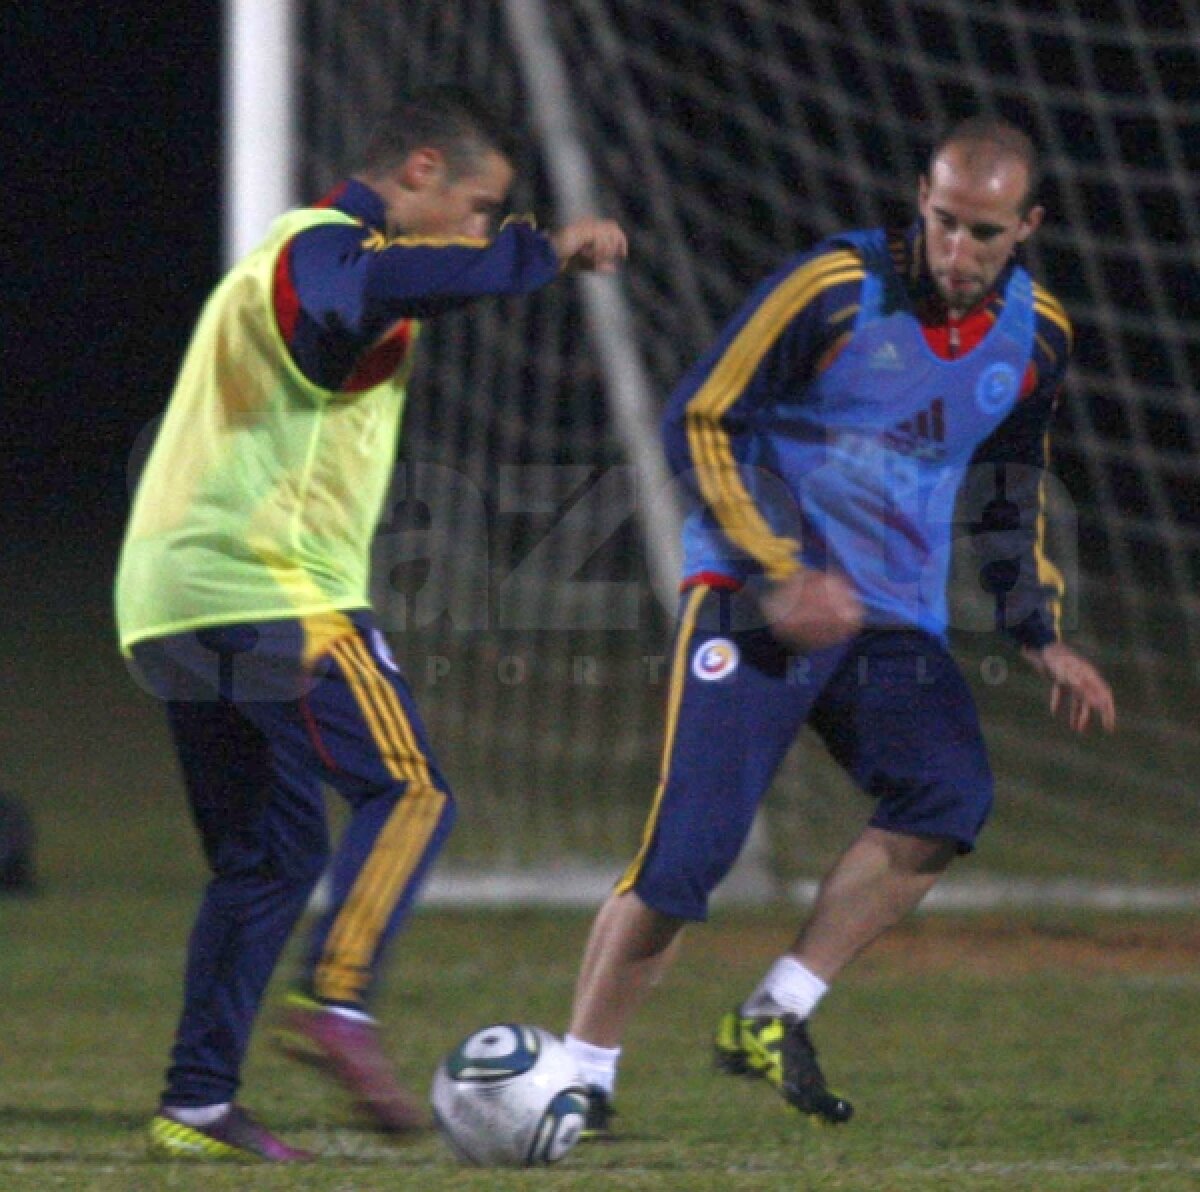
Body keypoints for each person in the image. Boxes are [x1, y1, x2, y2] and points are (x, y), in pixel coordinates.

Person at [562, 115, 1115, 1137]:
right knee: (687, 859)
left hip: (889, 616)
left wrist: (1041, 632)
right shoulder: (831, 287)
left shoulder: (1040, 337)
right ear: (920, 197)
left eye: (983, 233)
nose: (957, 251)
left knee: (947, 797)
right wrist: (778, 568)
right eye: (943, 222)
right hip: (755, 593)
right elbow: (701, 417)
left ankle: (775, 1011)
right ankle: (581, 1073)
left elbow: (1011, 493)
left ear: (1026, 227)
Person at [115, 84, 626, 1162]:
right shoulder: (318, 244)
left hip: (168, 600)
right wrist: (537, 253)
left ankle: (196, 1103)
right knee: (412, 789)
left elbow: (376, 305)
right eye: (482, 208)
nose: (483, 231)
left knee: (268, 853)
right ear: (423, 174)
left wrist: (494, 259)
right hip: (262, 587)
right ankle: (339, 1002)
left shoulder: (320, 261)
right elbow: (352, 296)